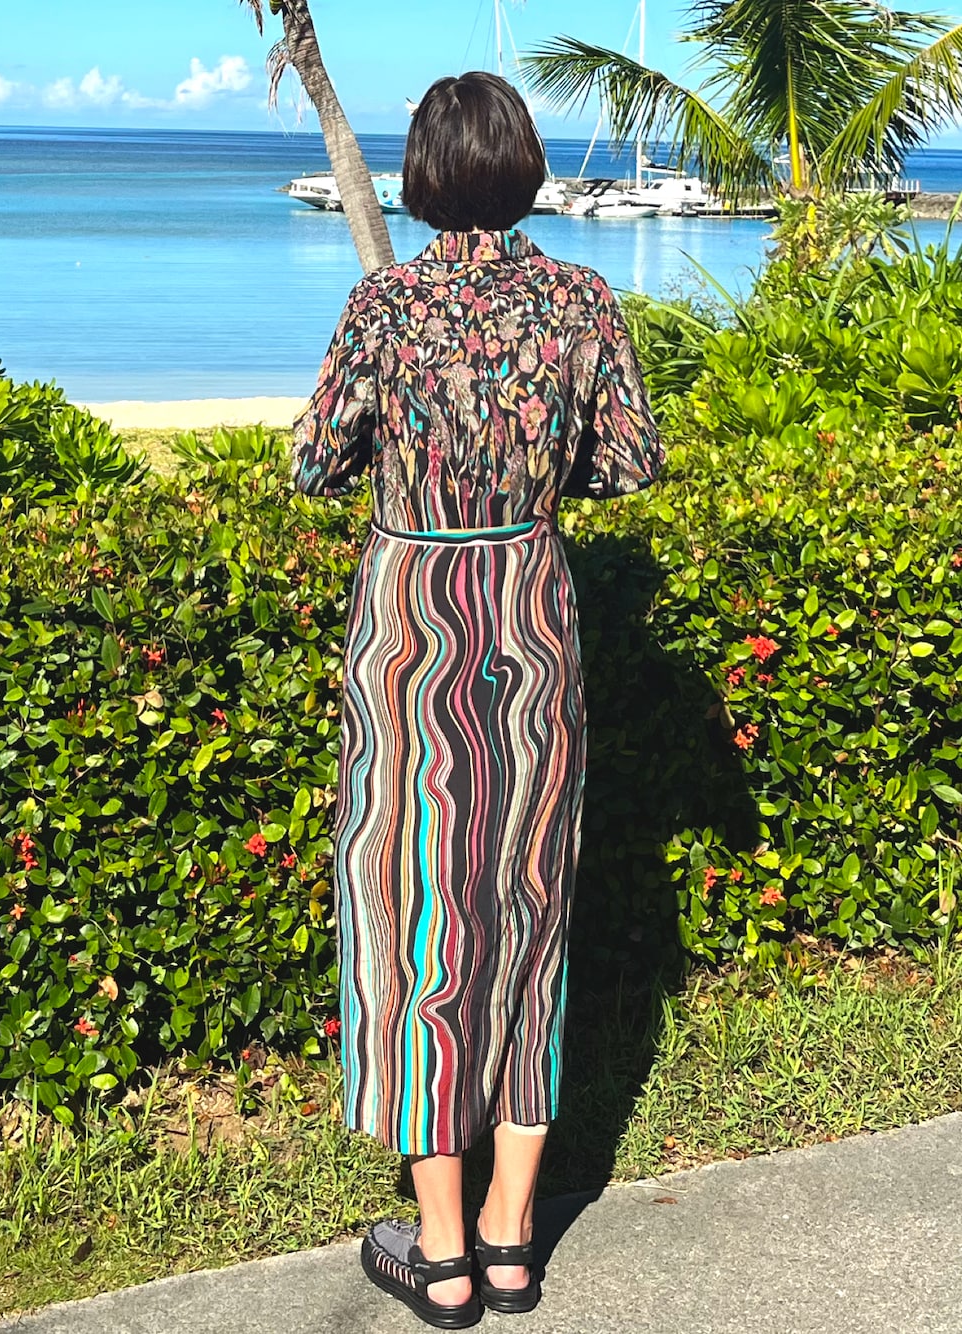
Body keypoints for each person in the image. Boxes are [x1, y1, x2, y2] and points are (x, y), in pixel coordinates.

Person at [291, 70, 663, 1329]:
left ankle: (440, 1251)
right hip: (530, 613)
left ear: (420, 172)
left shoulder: (386, 304)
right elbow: (629, 461)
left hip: (413, 626)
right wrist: (528, 472)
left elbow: (313, 461)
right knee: (526, 904)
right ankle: (511, 1239)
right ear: (525, 165)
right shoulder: (581, 298)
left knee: (415, 915)